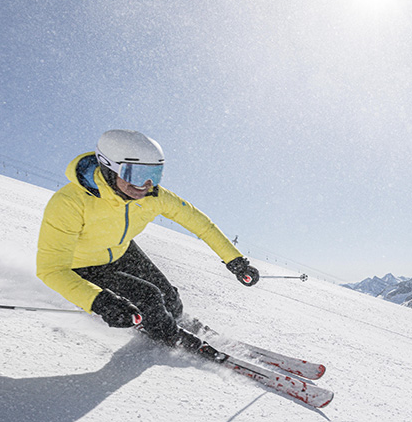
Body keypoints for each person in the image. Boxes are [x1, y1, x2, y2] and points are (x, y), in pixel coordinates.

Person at [36, 129, 259, 356]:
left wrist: (235, 260)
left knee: (170, 298)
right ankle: (168, 334)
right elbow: (51, 269)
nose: (145, 185)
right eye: (136, 174)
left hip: (121, 252)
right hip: (83, 265)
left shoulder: (153, 196)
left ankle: (171, 318)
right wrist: (99, 301)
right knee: (149, 297)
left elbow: (200, 224)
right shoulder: (69, 203)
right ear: (108, 167)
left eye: (154, 173)